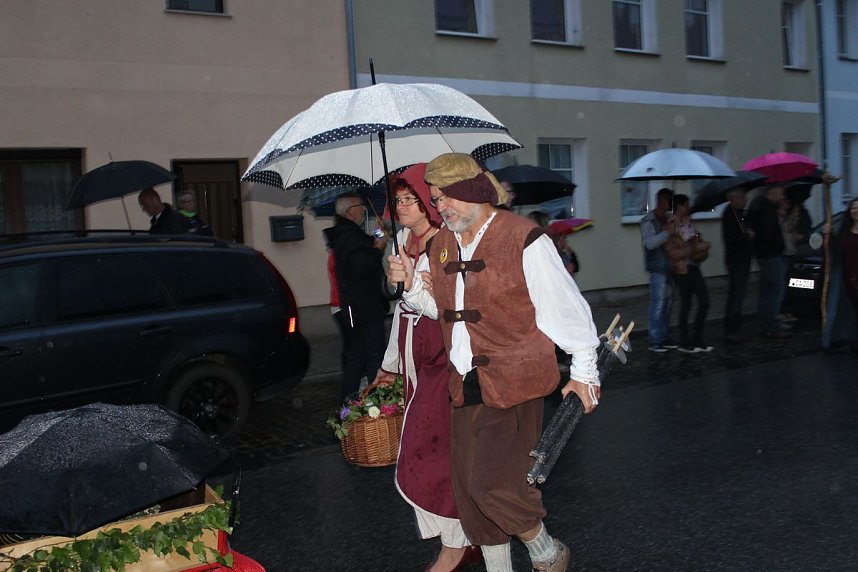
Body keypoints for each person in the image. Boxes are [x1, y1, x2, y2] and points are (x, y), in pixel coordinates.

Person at [390, 153, 600, 572]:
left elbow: (564, 308)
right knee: (469, 493)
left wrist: (584, 372)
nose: (441, 207)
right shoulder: (444, 244)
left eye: (448, 197)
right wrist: (412, 286)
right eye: (435, 199)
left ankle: (547, 553)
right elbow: (443, 308)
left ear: (475, 193)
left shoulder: (523, 237)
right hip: (464, 382)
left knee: (491, 487)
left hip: (515, 381)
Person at [372, 164, 481, 572]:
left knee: (430, 449)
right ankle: (460, 536)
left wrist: (413, 285)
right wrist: (390, 364)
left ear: (428, 205)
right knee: (427, 447)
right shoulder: (402, 241)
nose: (400, 207)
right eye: (397, 200)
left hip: (444, 359)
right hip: (414, 358)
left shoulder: (445, 244)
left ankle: (456, 544)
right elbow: (401, 312)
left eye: (409, 200)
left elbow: (445, 311)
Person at [328, 192, 389, 400]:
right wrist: (378, 250)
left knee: (358, 356)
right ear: (350, 211)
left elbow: (365, 248)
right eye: (360, 207)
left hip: (361, 305)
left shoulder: (348, 234)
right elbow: (360, 266)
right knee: (367, 356)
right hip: (362, 307)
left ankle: (352, 403)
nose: (363, 210)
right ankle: (370, 405)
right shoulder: (348, 235)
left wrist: (380, 236)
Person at [664, 194, 713, 353]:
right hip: (681, 270)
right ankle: (685, 342)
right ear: (679, 207)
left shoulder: (688, 223)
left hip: (693, 267)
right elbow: (672, 254)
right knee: (686, 304)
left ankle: (697, 338)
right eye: (686, 205)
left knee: (704, 301)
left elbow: (697, 239)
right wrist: (693, 249)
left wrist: (702, 244)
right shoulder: (670, 226)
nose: (689, 208)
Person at [747, 185, 789, 337]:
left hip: (763, 253)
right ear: (772, 193)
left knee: (766, 290)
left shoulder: (759, 206)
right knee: (774, 290)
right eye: (780, 193)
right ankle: (771, 325)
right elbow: (768, 234)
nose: (782, 197)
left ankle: (765, 323)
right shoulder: (766, 209)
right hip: (770, 254)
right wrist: (780, 242)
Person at [640, 188, 678, 352]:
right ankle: (655, 339)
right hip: (658, 268)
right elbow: (649, 243)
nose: (670, 204)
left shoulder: (669, 218)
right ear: (661, 200)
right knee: (658, 304)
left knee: (668, 304)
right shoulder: (648, 220)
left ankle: (664, 336)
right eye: (669, 200)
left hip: (670, 266)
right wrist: (666, 233)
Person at [822, 196, 858, 352]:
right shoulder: (844, 230)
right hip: (848, 276)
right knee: (853, 308)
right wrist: (827, 236)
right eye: (853, 208)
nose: (856, 210)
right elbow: (834, 251)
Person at [721, 189, 754, 342]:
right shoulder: (729, 214)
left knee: (739, 295)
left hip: (743, 259)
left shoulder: (740, 213)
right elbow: (732, 238)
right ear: (734, 199)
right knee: (736, 295)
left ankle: (735, 327)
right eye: (742, 197)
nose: (745, 199)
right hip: (736, 260)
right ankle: (731, 329)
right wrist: (747, 235)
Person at [779, 195, 811, 322]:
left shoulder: (800, 213)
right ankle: (782, 310)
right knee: (782, 283)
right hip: (784, 252)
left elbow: (802, 229)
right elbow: (785, 231)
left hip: (793, 251)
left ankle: (787, 308)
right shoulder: (779, 216)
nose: (786, 205)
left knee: (787, 282)